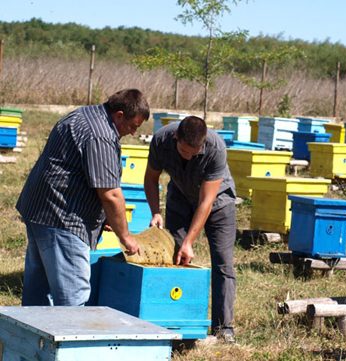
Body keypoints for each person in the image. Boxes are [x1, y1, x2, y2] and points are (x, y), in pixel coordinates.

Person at [16, 88, 150, 307]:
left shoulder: (85, 114)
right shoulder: (101, 135)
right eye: (132, 126)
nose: (133, 133)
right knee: (73, 298)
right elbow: (110, 194)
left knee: (38, 292)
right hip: (63, 217)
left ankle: (26, 341)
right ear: (118, 115)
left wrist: (105, 217)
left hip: (40, 208)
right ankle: (68, 341)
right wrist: (125, 236)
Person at [144, 116, 237, 342]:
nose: (189, 156)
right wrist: (156, 212)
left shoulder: (216, 148)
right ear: (176, 136)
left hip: (218, 202)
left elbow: (206, 202)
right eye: (185, 151)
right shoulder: (160, 140)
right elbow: (150, 178)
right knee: (174, 256)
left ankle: (223, 326)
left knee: (222, 262)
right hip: (179, 197)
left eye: (194, 153)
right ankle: (174, 320)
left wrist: (189, 242)